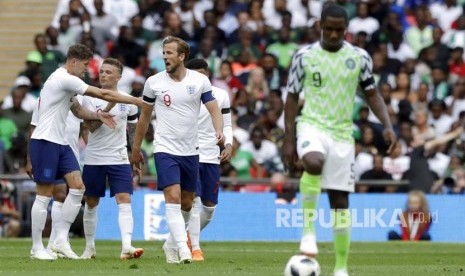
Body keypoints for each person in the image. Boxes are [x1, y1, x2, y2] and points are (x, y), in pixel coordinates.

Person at [282, 4, 396, 276]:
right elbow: (292, 97)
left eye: (339, 30)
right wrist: (289, 139)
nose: (334, 34)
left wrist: (388, 125)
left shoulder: (359, 57)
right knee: (312, 162)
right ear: (320, 25)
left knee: (339, 202)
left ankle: (341, 268)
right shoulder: (304, 56)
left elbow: (372, 94)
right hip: (312, 125)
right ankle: (308, 233)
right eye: (329, 29)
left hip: (343, 134)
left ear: (346, 29)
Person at [28, 44, 142, 261]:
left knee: (78, 188)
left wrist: (98, 116)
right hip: (45, 140)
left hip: (60, 142)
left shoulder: (68, 84)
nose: (87, 70)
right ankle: (36, 248)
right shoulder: (63, 78)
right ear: (73, 62)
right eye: (85, 65)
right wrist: (138, 101)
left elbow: (79, 111)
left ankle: (61, 240)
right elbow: (101, 93)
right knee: (44, 194)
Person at [131, 36, 224, 264]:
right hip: (165, 149)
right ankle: (184, 248)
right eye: (164, 53)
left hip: (191, 150)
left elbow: (214, 109)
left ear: (182, 56)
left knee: (187, 203)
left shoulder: (199, 82)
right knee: (172, 197)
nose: (165, 57)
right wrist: (135, 148)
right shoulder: (153, 82)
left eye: (170, 53)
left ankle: (171, 245)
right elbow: (144, 118)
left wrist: (219, 131)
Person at [80, 58, 143, 260]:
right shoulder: (89, 97)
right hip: (94, 158)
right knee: (91, 202)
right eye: (102, 71)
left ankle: (126, 246)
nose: (104, 75)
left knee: (124, 200)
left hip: (119, 158)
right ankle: (89, 247)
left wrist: (135, 154)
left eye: (108, 72)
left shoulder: (128, 101)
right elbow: (92, 127)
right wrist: (109, 106)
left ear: (118, 77)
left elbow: (132, 131)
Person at [184, 59, 233, 262]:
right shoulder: (182, 93)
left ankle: (179, 238)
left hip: (211, 155)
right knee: (194, 202)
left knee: (210, 208)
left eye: (201, 74)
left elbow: (227, 124)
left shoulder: (220, 95)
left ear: (208, 75)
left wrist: (228, 145)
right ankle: (195, 248)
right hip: (189, 153)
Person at [27, 94, 83, 258]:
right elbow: (33, 127)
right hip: (48, 147)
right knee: (52, 193)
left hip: (68, 150)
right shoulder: (46, 96)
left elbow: (83, 125)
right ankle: (37, 247)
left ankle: (55, 243)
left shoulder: (79, 97)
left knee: (73, 191)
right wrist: (29, 158)